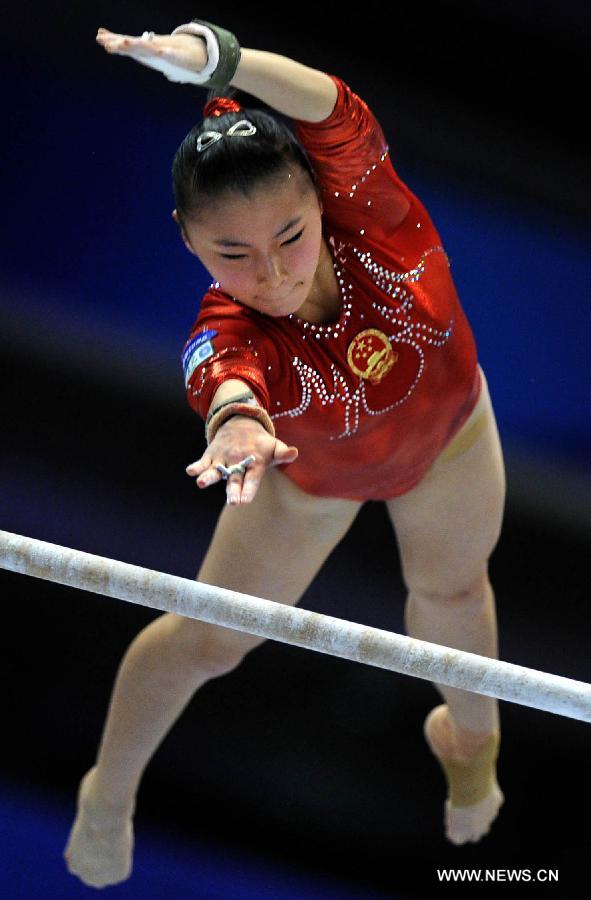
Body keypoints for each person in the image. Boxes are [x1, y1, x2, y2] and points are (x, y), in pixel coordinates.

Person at [64, 19, 506, 889]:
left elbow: (326, 100)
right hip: (310, 484)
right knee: (208, 643)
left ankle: (472, 745)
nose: (269, 273)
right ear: (188, 241)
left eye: (289, 237)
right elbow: (222, 380)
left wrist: (218, 60)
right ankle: (106, 791)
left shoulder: (366, 203)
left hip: (450, 439)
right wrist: (233, 422)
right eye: (231, 252)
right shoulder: (226, 327)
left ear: (319, 192)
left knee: (451, 592)